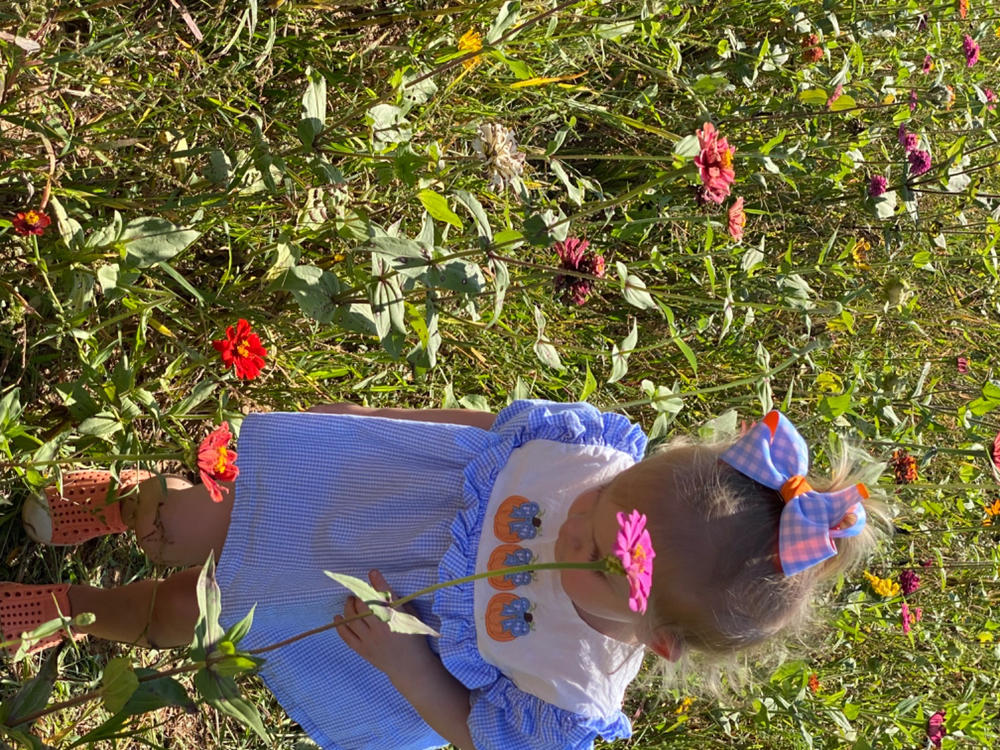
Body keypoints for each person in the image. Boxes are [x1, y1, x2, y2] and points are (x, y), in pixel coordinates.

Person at [1, 400, 886, 750]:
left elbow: (476, 735)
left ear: (656, 638)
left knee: (187, 616)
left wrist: (406, 666)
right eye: (602, 504)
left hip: (355, 608)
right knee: (196, 517)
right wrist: (353, 420)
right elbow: (477, 431)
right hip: (356, 495)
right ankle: (119, 505)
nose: (578, 525)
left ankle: (67, 610)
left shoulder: (569, 681)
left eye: (607, 563)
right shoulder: (588, 454)